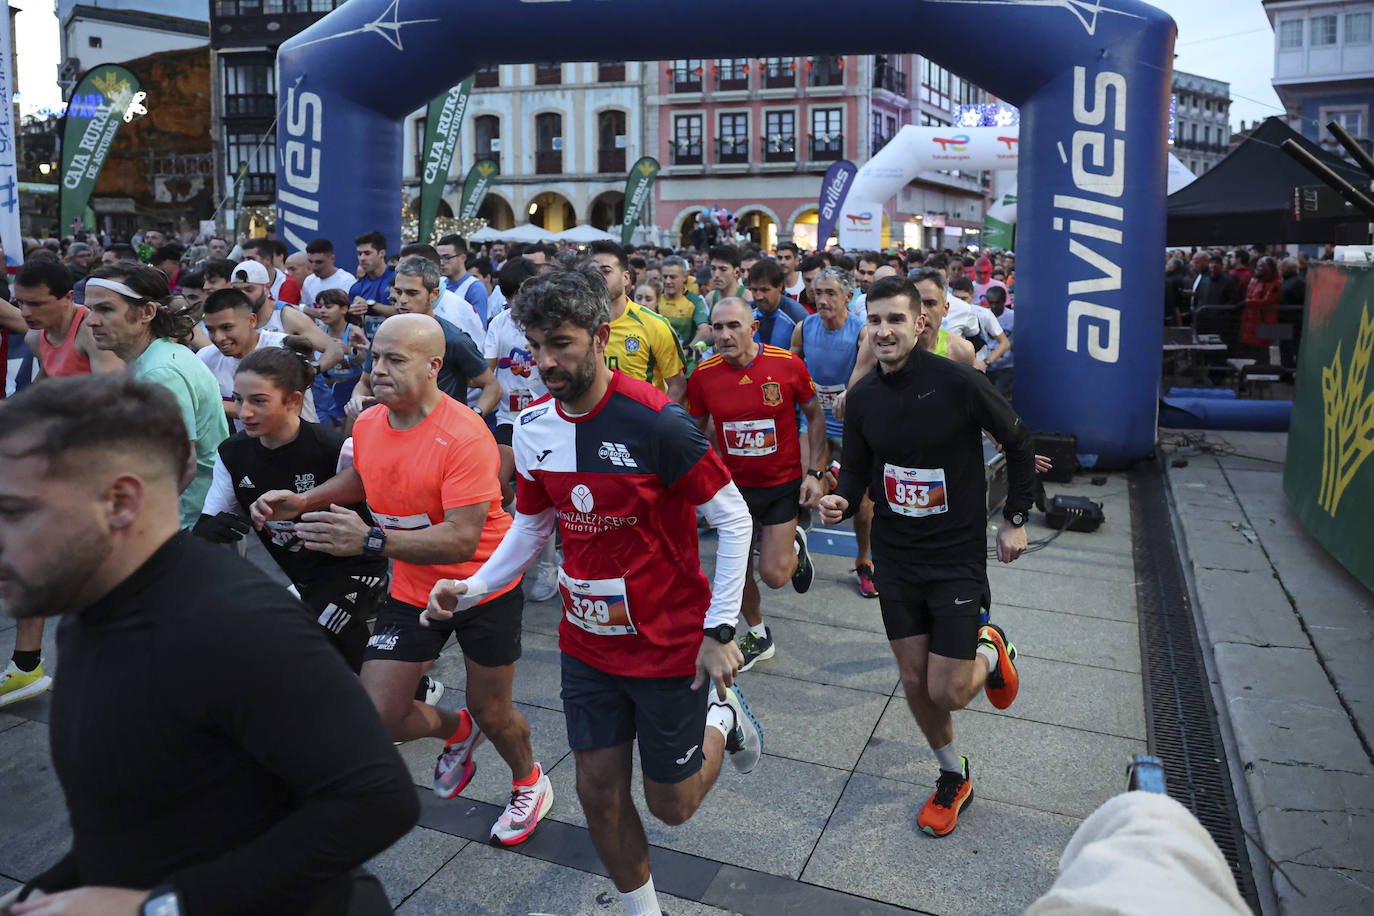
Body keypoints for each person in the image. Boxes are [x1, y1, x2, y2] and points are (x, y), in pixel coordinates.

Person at [0, 373, 417, 915]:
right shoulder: (88, 613)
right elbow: (134, 824)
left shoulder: (238, 626)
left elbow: (377, 801)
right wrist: (50, 889)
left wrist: (160, 908)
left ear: (120, 501)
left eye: (14, 512)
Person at [423, 266, 760, 916]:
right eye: (536, 346)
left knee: (672, 805)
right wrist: (473, 586)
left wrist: (721, 632)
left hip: (670, 645)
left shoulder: (659, 423)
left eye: (562, 345)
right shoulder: (534, 426)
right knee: (598, 792)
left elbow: (733, 517)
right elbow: (531, 527)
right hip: (588, 647)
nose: (545, 361)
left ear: (601, 336)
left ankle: (723, 718)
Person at [251, 314, 548, 847]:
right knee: (379, 716)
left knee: (494, 708)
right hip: (411, 587)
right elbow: (364, 476)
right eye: (375, 357)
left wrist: (368, 541)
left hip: (481, 587)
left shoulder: (463, 435)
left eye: (395, 360)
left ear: (435, 367)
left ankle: (530, 782)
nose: (377, 370)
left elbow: (460, 538)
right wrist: (306, 500)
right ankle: (458, 730)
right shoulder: (368, 421)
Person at [819, 274, 1033, 839]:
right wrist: (840, 496)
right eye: (876, 320)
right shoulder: (863, 397)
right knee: (914, 680)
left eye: (896, 319)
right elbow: (860, 471)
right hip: (896, 554)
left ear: (920, 324)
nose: (884, 330)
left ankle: (992, 648)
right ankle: (951, 774)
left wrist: (1015, 518)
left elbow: (1018, 439)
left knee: (950, 690)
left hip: (955, 555)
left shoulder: (959, 382)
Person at [194, 348, 387, 672]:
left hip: (356, 567)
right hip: (301, 575)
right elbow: (211, 518)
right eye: (239, 400)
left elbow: (381, 501)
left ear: (293, 401)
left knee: (318, 629)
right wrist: (205, 532)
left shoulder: (335, 447)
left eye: (258, 401)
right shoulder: (232, 453)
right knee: (304, 640)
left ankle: (408, 695)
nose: (244, 412)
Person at [687, 296, 826, 671]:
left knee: (775, 575)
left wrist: (814, 472)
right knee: (734, 571)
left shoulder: (786, 364)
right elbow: (694, 433)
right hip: (732, 491)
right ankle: (758, 633)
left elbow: (815, 415)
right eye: (717, 327)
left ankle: (795, 545)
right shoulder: (703, 375)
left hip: (781, 484)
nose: (724, 335)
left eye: (733, 326)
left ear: (753, 328)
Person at [85, 262, 228, 529]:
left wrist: (127, 521)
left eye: (105, 309)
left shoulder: (160, 371)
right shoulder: (155, 356)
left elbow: (184, 465)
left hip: (188, 525)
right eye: (90, 309)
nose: (91, 320)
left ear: (147, 312)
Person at [791, 267, 877, 598]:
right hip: (814, 421)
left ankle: (864, 560)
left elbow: (863, 370)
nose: (822, 299)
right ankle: (796, 546)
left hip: (852, 424)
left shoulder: (862, 333)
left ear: (849, 297)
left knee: (865, 505)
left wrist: (847, 394)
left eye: (830, 293)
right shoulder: (803, 328)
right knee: (806, 485)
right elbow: (793, 372)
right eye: (817, 292)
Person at [345, 256, 500, 420]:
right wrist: (357, 398)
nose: (403, 300)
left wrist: (471, 417)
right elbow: (365, 382)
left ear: (434, 294)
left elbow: (492, 387)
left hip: (440, 432)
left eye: (412, 293)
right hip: (393, 429)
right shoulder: (385, 333)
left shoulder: (453, 338)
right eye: (398, 292)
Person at [198, 288, 324, 428]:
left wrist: (214, 404)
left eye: (227, 327)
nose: (219, 338)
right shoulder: (206, 358)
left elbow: (283, 412)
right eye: (211, 330)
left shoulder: (281, 348)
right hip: (251, 446)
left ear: (251, 320)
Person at [588, 240, 687, 402]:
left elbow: (677, 385)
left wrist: (657, 423)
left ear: (626, 278)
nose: (597, 278)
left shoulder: (655, 324)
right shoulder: (578, 325)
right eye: (591, 272)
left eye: (606, 271)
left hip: (641, 423)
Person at [15, 259, 124, 381]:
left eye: (36, 304)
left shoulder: (93, 332)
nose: (25, 313)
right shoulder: (34, 338)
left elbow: (115, 392)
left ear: (68, 297)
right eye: (20, 302)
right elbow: (52, 374)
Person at [312, 288, 370, 428]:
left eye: (328, 307)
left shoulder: (353, 331)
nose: (322, 311)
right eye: (320, 307)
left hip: (351, 385)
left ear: (344, 309)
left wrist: (349, 351)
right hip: (331, 386)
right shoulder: (321, 330)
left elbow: (366, 362)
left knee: (348, 431)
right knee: (330, 429)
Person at [747, 259, 809, 349]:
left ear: (780, 286)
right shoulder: (745, 313)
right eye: (754, 290)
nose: (758, 296)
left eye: (765, 290)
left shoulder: (797, 315)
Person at [350, 231, 397, 339]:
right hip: (368, 347)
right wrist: (350, 313)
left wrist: (371, 304)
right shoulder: (356, 288)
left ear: (382, 253)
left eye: (367, 253)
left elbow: (405, 313)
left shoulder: (397, 279)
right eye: (359, 253)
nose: (362, 258)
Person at [437, 234, 491, 327]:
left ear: (463, 258)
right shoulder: (440, 283)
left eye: (447, 257)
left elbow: (479, 327)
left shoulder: (475, 288)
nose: (441, 263)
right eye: (439, 258)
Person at [301, 237, 357, 307]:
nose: (314, 267)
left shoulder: (346, 281)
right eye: (310, 261)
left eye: (319, 262)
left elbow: (347, 312)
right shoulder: (308, 280)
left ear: (332, 258)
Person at [980, 286, 1015, 398]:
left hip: (1005, 366)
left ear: (1004, 301)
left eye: (997, 302)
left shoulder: (1013, 317)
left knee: (999, 397)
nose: (994, 306)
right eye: (991, 302)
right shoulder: (983, 315)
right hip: (985, 365)